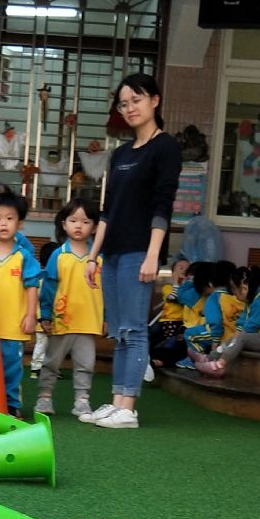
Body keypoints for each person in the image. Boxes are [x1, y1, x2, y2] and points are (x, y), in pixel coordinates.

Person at [82, 73, 181, 429]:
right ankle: (117, 402)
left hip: (141, 251)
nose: (130, 108)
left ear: (154, 100)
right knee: (119, 331)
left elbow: (163, 204)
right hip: (112, 252)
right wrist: (92, 256)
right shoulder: (121, 154)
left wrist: (153, 254)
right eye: (123, 104)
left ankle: (129, 407)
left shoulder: (166, 147)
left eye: (136, 100)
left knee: (135, 329)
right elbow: (107, 211)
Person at [36, 196, 103, 420]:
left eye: (85, 222)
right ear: (64, 224)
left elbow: (106, 291)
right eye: (73, 221)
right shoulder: (59, 255)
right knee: (52, 361)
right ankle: (45, 397)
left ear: (95, 227)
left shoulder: (98, 258)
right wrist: (45, 315)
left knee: (86, 364)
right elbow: (49, 287)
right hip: (61, 320)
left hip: (88, 321)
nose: (79, 226)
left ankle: (82, 400)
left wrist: (106, 317)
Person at [0, 189, 41, 417]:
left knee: (11, 367)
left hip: (14, 326)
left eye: (10, 218)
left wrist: (31, 315)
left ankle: (11, 404)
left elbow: (32, 286)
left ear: (20, 223)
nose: (4, 223)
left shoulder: (24, 256)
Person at [211, 265, 260, 372]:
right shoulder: (253, 299)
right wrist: (236, 334)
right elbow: (244, 318)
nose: (233, 294)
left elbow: (253, 325)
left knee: (241, 337)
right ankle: (210, 358)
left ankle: (219, 365)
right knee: (231, 339)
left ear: (244, 288)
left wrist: (238, 335)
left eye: (234, 288)